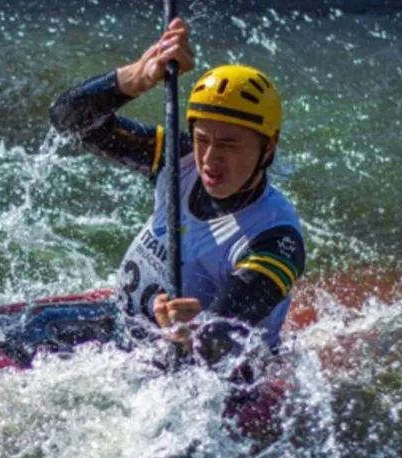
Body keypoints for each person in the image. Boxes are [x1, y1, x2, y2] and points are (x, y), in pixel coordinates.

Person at [49, 18, 306, 368]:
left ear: (269, 147)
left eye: (229, 144)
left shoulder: (275, 239)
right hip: (126, 333)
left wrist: (198, 328)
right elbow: (68, 121)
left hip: (209, 378)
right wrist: (137, 77)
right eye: (203, 140)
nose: (210, 160)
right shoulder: (181, 160)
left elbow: (224, 334)